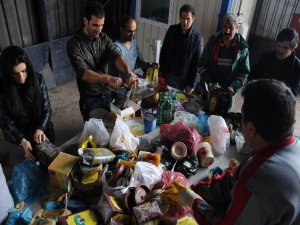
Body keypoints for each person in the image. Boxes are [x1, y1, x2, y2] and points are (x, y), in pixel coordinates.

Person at [164, 79, 300, 224]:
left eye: (242, 117)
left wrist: (194, 202)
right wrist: (195, 189)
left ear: (251, 129)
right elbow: (235, 179)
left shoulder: (261, 180)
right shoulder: (284, 146)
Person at [67, 1, 139, 121]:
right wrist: (108, 78)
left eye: (102, 25)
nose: (99, 30)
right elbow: (84, 74)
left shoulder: (104, 38)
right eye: (95, 25)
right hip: (90, 98)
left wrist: (129, 73)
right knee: (93, 132)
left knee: (108, 127)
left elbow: (117, 56)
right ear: (85, 21)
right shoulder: (74, 44)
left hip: (107, 95)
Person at [0, 46, 54, 161]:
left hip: (40, 130)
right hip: (17, 135)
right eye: (15, 74)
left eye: (24, 71)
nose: (21, 78)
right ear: (7, 73)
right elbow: (6, 122)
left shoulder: (38, 79)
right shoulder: (2, 90)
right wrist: (21, 140)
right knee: (25, 166)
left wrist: (41, 128)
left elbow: (47, 109)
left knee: (50, 162)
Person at [198, 13, 249, 101]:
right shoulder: (212, 43)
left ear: (237, 29)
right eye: (225, 27)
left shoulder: (242, 49)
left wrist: (233, 86)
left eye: (231, 28)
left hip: (227, 96)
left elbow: (244, 73)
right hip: (209, 92)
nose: (227, 31)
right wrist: (210, 83)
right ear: (222, 27)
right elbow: (202, 65)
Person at [159, 4, 203, 94]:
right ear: (179, 17)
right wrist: (160, 72)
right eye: (183, 18)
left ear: (193, 19)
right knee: (163, 98)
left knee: (176, 104)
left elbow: (197, 63)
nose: (185, 22)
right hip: (168, 74)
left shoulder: (197, 38)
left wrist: (192, 84)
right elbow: (164, 51)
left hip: (183, 80)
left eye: (188, 19)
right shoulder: (172, 30)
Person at [248, 28, 300, 96]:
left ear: (292, 49)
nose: (280, 51)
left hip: (279, 104)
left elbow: (294, 93)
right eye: (278, 45)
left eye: (285, 48)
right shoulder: (265, 57)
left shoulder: (297, 66)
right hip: (258, 99)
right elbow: (251, 77)